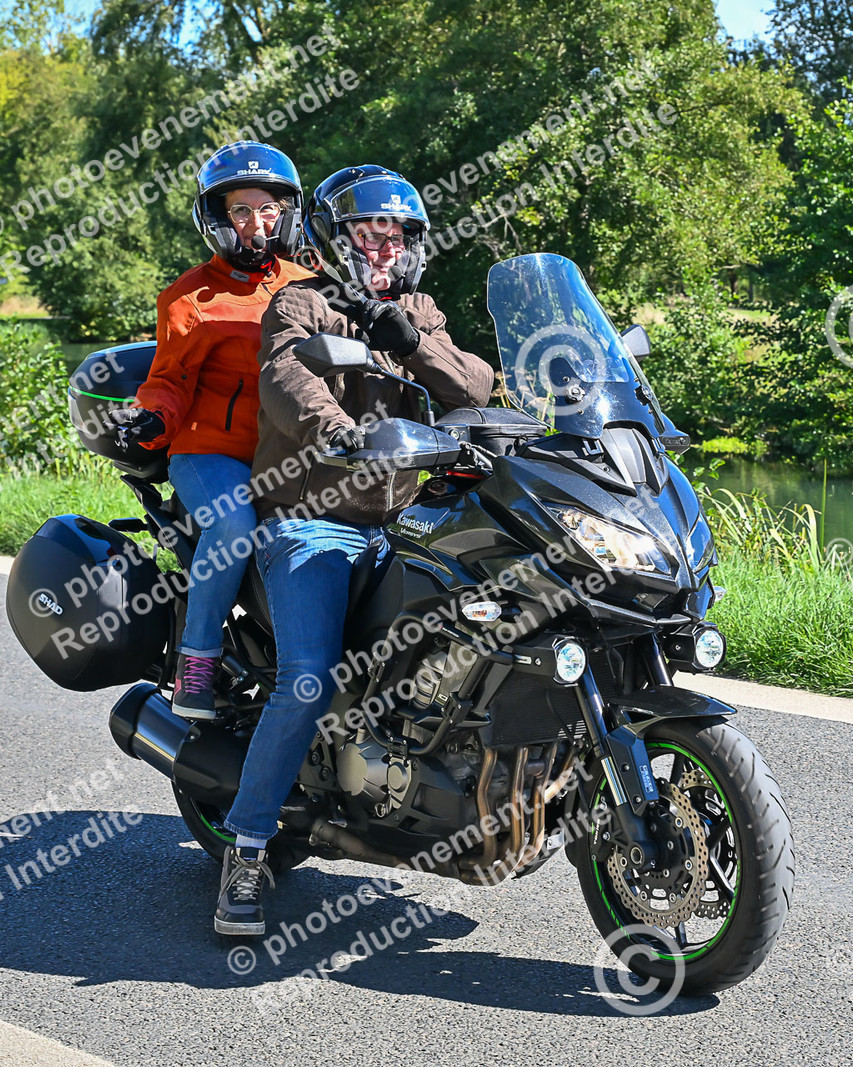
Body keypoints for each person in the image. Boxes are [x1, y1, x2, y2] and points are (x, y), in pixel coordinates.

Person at [214, 165, 495, 935]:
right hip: (313, 521)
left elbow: (475, 387)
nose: (383, 247)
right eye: (369, 234)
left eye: (396, 236)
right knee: (307, 678)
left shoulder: (418, 310)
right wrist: (339, 432)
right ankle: (246, 849)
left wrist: (412, 342)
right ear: (338, 239)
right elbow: (286, 382)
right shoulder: (300, 302)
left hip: (404, 522)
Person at [109, 141, 314, 718]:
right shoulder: (188, 298)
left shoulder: (310, 285)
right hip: (210, 453)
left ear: (287, 214)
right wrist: (150, 418)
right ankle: (195, 663)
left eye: (268, 208)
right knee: (232, 526)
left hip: (287, 455)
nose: (256, 222)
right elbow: (169, 381)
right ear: (218, 219)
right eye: (240, 210)